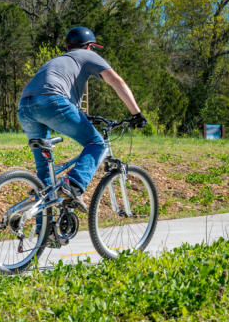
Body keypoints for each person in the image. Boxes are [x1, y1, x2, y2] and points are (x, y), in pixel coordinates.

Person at [18, 26, 146, 207]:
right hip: (52, 102)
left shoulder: (59, 60)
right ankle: (73, 183)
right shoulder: (87, 55)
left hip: (25, 106)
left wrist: (81, 115)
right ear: (88, 46)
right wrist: (137, 113)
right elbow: (117, 82)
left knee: (45, 178)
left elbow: (55, 88)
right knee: (96, 144)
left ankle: (44, 232)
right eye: (92, 48)